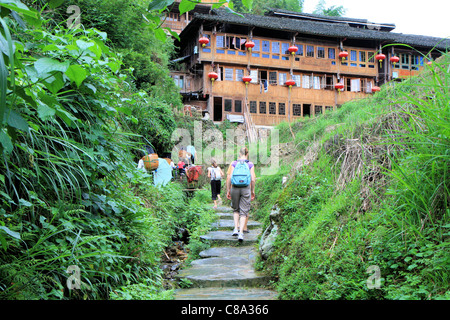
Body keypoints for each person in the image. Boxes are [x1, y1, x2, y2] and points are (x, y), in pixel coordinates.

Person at [226, 147, 256, 242]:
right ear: (247, 154)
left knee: (236, 209)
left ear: (239, 153)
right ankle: (241, 233)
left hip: (235, 187)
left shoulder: (234, 163)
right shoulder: (250, 164)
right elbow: (252, 179)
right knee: (244, 211)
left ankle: (235, 228)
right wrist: (252, 190)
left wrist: (228, 189)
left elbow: (229, 177)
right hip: (246, 188)